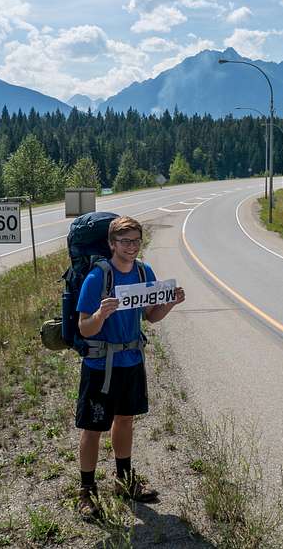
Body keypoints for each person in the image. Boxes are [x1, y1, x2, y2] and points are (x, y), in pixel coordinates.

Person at [75, 215, 185, 518]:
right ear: (112, 243)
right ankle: (86, 490)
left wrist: (169, 304)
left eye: (136, 240)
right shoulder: (98, 277)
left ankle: (123, 480)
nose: (131, 246)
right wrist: (100, 315)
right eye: (124, 241)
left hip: (132, 361)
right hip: (100, 365)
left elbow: (150, 316)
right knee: (93, 428)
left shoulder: (143, 271)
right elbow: (84, 328)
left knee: (124, 420)